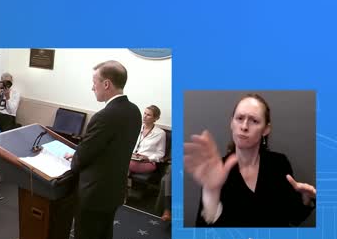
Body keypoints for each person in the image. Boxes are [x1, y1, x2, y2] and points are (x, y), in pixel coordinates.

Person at [54, 60, 142, 239]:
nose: (92, 88)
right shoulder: (134, 111)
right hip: (113, 189)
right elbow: (110, 148)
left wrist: (76, 157)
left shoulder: (104, 116)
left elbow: (82, 159)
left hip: (93, 192)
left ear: (107, 84)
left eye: (94, 83)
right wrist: (82, 151)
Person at [184, 93, 316, 227]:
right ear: (231, 123)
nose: (244, 126)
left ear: (266, 129)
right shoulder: (217, 170)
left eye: (254, 121)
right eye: (239, 118)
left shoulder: (279, 163)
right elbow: (203, 234)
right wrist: (211, 193)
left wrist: (306, 200)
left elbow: (294, 218)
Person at [129, 105, 166, 174]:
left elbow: (160, 153)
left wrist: (148, 158)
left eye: (148, 115)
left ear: (155, 118)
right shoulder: (137, 127)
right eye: (145, 113)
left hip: (147, 162)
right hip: (132, 158)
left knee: (124, 164)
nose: (145, 116)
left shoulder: (160, 133)